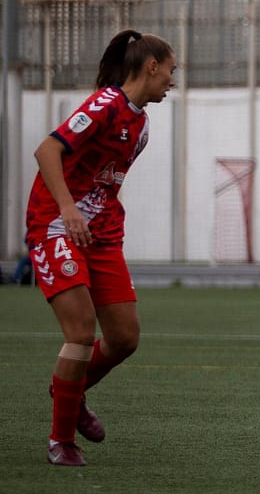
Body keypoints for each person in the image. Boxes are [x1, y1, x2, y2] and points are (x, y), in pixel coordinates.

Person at [25, 29, 176, 466]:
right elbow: (47, 150)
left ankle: (68, 391)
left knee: (125, 338)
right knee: (80, 332)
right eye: (170, 70)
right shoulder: (103, 104)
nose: (172, 79)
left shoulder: (141, 124)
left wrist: (95, 218)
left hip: (101, 235)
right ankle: (61, 441)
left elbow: (104, 178)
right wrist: (68, 210)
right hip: (57, 226)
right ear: (151, 67)